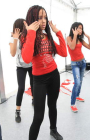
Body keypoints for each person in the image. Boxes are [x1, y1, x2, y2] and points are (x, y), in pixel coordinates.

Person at [21, 5, 67, 140]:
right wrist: (30, 32)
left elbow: (64, 53)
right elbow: (27, 59)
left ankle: (53, 130)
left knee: (53, 106)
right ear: (32, 19)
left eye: (45, 17)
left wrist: (58, 32)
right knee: (38, 116)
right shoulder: (27, 37)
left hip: (53, 75)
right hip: (39, 80)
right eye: (40, 17)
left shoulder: (48, 36)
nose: (43, 21)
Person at [9, 19, 33, 123]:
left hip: (32, 65)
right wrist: (15, 38)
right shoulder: (13, 38)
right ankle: (17, 111)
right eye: (24, 25)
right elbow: (13, 53)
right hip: (20, 67)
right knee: (21, 88)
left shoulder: (28, 35)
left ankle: (33, 99)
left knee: (34, 84)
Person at [67, 22, 90, 113]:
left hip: (83, 62)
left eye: (82, 28)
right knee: (77, 83)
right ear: (74, 29)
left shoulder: (80, 40)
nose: (81, 30)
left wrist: (88, 37)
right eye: (79, 28)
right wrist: (74, 36)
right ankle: (72, 104)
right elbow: (72, 47)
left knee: (80, 81)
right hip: (75, 64)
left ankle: (77, 96)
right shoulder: (69, 38)